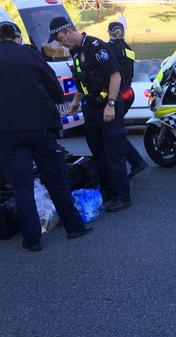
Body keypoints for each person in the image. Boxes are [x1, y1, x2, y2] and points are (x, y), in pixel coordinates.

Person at [0, 21, 92, 252]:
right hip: (40, 127)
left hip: (7, 132)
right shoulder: (29, 54)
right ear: (17, 37)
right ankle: (74, 227)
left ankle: (32, 240)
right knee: (56, 179)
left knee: (21, 185)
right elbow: (55, 88)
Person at [49, 16, 132, 212]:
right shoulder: (76, 52)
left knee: (114, 152)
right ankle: (108, 193)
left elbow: (115, 76)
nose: (61, 43)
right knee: (99, 152)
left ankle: (122, 196)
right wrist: (76, 101)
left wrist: (111, 104)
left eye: (61, 38)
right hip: (91, 107)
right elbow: (83, 80)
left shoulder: (96, 46)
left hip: (107, 105)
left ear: (69, 31)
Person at [106, 21, 148, 179]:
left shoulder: (108, 48)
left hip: (118, 93)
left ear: (109, 32)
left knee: (114, 132)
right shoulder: (128, 49)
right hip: (128, 91)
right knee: (116, 129)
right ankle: (133, 160)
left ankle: (135, 161)